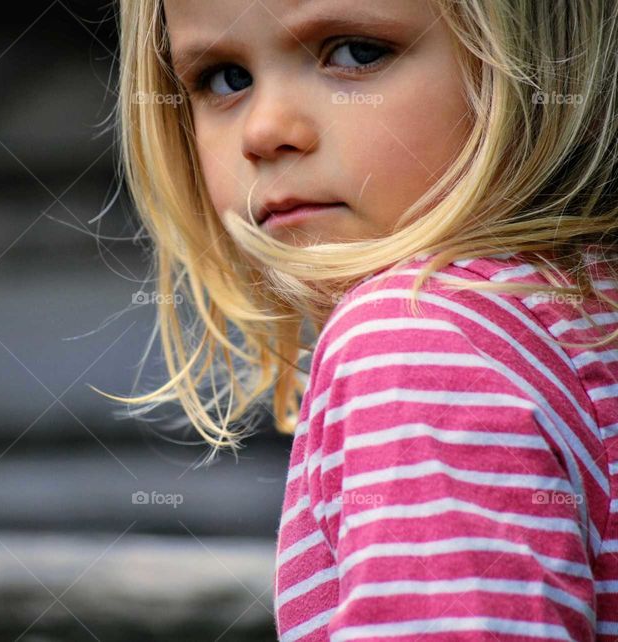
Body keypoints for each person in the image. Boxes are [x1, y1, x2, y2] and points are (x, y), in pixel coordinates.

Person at [98, 0, 618, 638]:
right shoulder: (579, 322)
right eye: (224, 79)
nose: (263, 131)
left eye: (356, 52)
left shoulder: (413, 339)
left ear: (532, 57)